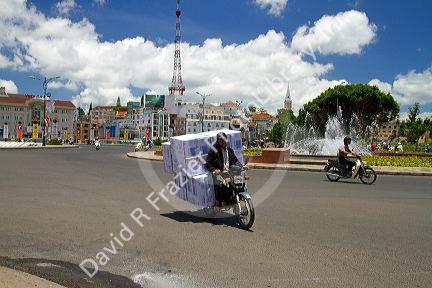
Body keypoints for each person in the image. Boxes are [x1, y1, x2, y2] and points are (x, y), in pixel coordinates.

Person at [206, 132, 241, 211]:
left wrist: (243, 166)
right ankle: (218, 203)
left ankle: (235, 198)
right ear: (218, 140)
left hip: (229, 172)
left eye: (224, 139)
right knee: (220, 184)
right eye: (220, 140)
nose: (223, 141)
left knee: (239, 182)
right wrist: (215, 170)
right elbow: (208, 164)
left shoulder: (230, 150)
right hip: (219, 173)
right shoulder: (213, 150)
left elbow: (236, 161)